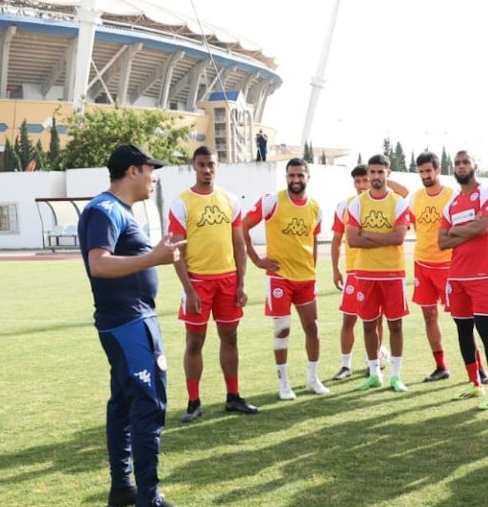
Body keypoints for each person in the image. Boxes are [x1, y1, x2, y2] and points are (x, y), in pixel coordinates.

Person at [79, 144, 194, 507]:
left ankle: (122, 486)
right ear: (132, 171)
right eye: (150, 170)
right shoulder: (105, 209)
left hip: (129, 320)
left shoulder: (116, 210)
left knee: (124, 403)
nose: (153, 177)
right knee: (147, 404)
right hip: (129, 323)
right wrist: (153, 258)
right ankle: (148, 498)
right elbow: (99, 263)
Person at [168, 145, 259, 421]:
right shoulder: (182, 202)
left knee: (230, 337)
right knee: (195, 341)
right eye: (201, 165)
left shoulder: (231, 200)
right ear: (193, 167)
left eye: (211, 164)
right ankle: (193, 402)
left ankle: (233, 397)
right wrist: (189, 290)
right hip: (198, 282)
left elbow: (239, 243)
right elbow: (176, 251)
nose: (207, 169)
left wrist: (241, 283)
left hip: (228, 280)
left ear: (217, 166)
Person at [243, 158, 329, 399]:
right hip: (279, 277)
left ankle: (312, 379)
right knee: (282, 329)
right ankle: (284, 383)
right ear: (286, 177)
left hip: (306, 279)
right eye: (291, 176)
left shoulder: (315, 208)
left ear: (307, 177)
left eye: (300, 175)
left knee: (313, 328)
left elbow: (312, 240)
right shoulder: (272, 201)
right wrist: (256, 259)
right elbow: (242, 227)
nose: (295, 180)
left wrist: (311, 270)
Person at [439, 151, 488, 409]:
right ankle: (474, 384)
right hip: (456, 276)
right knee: (463, 331)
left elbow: (482, 228)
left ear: (475, 165)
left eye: (466, 162)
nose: (461, 166)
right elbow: (441, 241)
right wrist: (464, 230)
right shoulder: (452, 204)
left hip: (482, 275)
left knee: (486, 330)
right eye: (457, 163)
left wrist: (455, 230)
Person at [331, 165, 406, 380]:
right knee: (349, 319)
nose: (363, 185)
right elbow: (339, 240)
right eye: (359, 181)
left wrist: (384, 179)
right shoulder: (346, 206)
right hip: (355, 271)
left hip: (382, 270)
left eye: (366, 179)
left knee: (378, 321)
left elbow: (404, 195)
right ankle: (346, 365)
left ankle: (373, 362)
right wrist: (336, 269)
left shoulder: (391, 200)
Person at [345, 154, 412, 392]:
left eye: (380, 172)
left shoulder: (399, 202)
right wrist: (384, 239)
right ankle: (374, 373)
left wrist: (368, 236)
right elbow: (352, 240)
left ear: (388, 174)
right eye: (372, 172)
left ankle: (395, 375)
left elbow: (399, 237)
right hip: (365, 273)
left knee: (395, 326)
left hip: (393, 273)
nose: (375, 176)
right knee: (368, 325)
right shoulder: (357, 203)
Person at [409, 151, 457, 381]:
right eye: (421, 172)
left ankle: (477, 367)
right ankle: (441, 366)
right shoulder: (416, 197)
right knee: (429, 316)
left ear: (438, 170)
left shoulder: (452, 195)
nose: (425, 175)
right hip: (422, 264)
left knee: (462, 317)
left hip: (448, 265)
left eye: (429, 170)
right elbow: (418, 228)